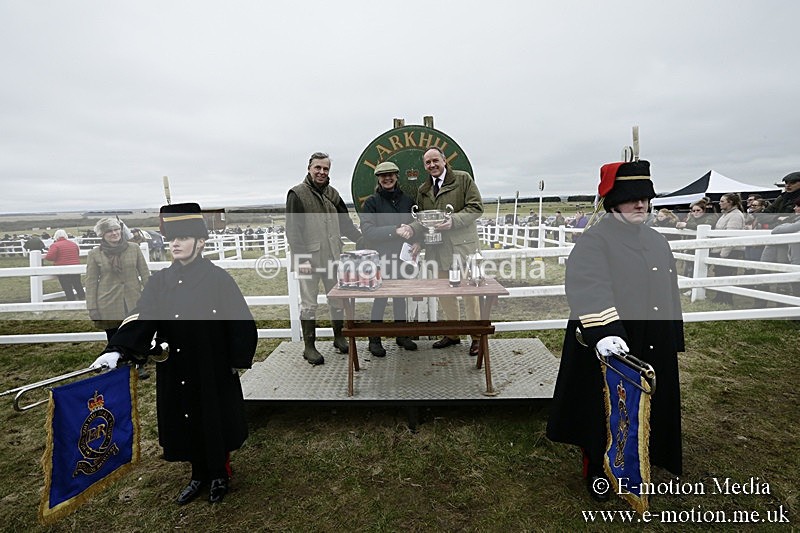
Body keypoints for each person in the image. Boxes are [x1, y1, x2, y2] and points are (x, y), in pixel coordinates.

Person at [91, 203, 257, 505]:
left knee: (212, 416)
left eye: (183, 238)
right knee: (186, 416)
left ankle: (219, 473)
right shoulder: (161, 281)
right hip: (177, 364)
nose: (175, 244)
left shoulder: (218, 279)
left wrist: (236, 360)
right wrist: (117, 349)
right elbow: (142, 315)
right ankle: (197, 475)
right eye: (172, 239)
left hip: (211, 363)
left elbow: (241, 321)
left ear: (201, 242)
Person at [546, 160, 684, 503]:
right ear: (613, 202)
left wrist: (672, 337)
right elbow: (587, 287)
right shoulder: (595, 241)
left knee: (649, 403)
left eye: (645, 197)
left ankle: (647, 456)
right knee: (604, 410)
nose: (641, 204)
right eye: (631, 197)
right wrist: (607, 331)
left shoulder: (656, 241)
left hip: (651, 340)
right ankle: (599, 468)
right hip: (611, 340)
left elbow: (669, 289)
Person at [286, 152, 362, 365]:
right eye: (317, 168)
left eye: (325, 169)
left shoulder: (333, 194)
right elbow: (293, 230)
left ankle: (339, 338)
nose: (321, 172)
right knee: (309, 304)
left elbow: (346, 224)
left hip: (332, 257)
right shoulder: (297, 194)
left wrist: (362, 240)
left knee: (337, 298)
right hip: (307, 259)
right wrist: (302, 259)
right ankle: (309, 347)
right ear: (309, 168)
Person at [409, 146, 484, 357]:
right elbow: (424, 221)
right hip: (438, 251)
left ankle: (476, 337)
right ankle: (452, 333)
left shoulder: (463, 179)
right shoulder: (424, 189)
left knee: (470, 294)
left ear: (444, 161)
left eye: (435, 161)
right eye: (428, 162)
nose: (432, 165)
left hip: (463, 249)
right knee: (445, 294)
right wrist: (418, 240)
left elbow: (476, 207)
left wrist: (453, 221)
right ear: (425, 166)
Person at [359, 161, 418, 357]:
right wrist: (395, 231)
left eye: (391, 174)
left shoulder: (407, 201)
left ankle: (401, 335)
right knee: (380, 299)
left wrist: (418, 242)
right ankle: (374, 339)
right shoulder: (371, 203)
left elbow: (414, 227)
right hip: (380, 259)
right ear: (378, 178)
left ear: (397, 176)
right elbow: (368, 232)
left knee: (401, 296)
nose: (387, 178)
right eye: (383, 175)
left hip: (403, 258)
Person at [85, 217, 151, 378]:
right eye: (109, 231)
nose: (114, 233)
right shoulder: (95, 254)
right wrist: (92, 307)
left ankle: (138, 363)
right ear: (102, 235)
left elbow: (144, 274)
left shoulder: (134, 248)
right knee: (114, 335)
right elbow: (91, 281)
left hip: (133, 299)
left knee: (137, 331)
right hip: (108, 301)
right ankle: (119, 363)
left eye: (116, 229)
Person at [709, 193, 745, 304]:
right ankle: (719, 296)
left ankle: (727, 299)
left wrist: (724, 254)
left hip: (729, 251)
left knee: (726, 274)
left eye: (722, 201)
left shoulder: (735, 216)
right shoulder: (725, 215)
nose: (720, 203)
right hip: (719, 249)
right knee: (719, 273)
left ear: (730, 202)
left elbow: (731, 236)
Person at [761, 172, 800, 263]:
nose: (788, 185)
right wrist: (777, 218)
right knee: (771, 263)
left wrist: (784, 221)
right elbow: (762, 216)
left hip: (791, 237)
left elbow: (793, 220)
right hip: (778, 236)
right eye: (786, 183)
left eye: (792, 182)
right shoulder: (782, 198)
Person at [44, 229, 85, 300]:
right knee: (77, 284)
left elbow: (49, 257)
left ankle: (71, 298)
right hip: (75, 267)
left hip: (62, 268)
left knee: (66, 285)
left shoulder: (55, 245)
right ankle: (82, 296)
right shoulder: (73, 244)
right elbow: (77, 254)